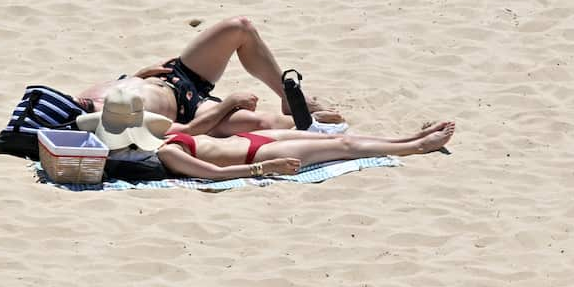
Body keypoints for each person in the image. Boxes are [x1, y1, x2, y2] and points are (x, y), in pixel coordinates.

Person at [83, 92, 455, 180]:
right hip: (252, 158)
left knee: (330, 140)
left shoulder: (163, 141)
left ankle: (405, 137)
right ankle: (418, 146)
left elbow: (196, 130)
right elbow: (213, 175)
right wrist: (264, 169)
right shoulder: (167, 156)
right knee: (342, 147)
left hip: (250, 144)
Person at [75, 17, 340, 138]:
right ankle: (308, 122)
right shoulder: (113, 123)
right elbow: (190, 131)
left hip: (176, 74)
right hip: (190, 111)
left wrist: (138, 75)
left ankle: (289, 97)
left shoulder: (85, 100)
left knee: (239, 27)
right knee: (262, 122)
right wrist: (229, 103)